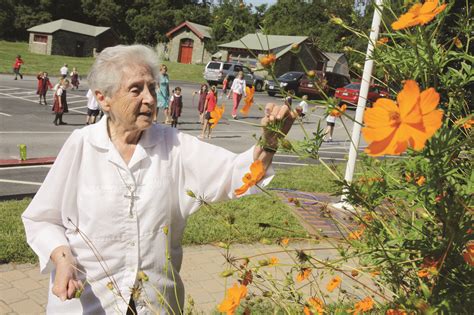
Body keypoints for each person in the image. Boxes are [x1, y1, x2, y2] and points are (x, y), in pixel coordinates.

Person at [22, 44, 297, 314]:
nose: (150, 99)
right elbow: (42, 218)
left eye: (152, 88)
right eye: (136, 89)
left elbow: (235, 173)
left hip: (155, 304)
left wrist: (269, 143)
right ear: (103, 98)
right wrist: (62, 260)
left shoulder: (174, 146)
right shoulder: (81, 145)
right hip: (87, 303)